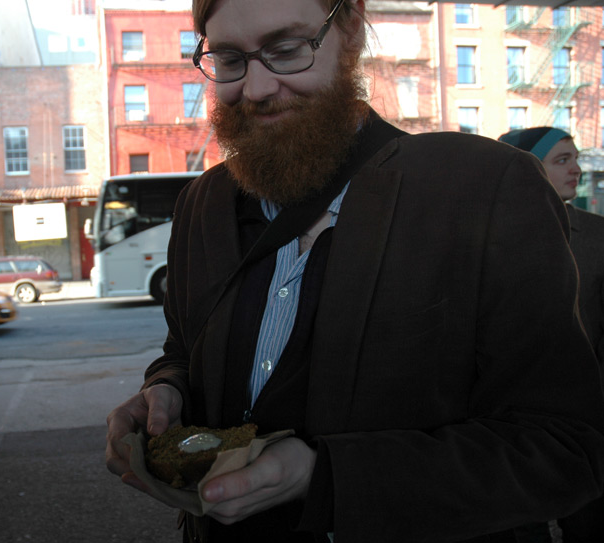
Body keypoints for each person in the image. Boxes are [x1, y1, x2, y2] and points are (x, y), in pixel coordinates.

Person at [105, 0, 604, 541]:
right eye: (228, 60)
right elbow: (183, 346)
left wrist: (328, 477)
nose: (256, 88)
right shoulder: (203, 203)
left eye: (287, 51)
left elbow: (565, 446)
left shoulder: (483, 188)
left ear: (349, 33)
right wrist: (169, 390)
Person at [499, 127, 604, 543]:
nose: (577, 169)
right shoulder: (485, 236)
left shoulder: (598, 237)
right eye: (562, 160)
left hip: (587, 423)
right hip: (507, 425)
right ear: (527, 168)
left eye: (575, 158)